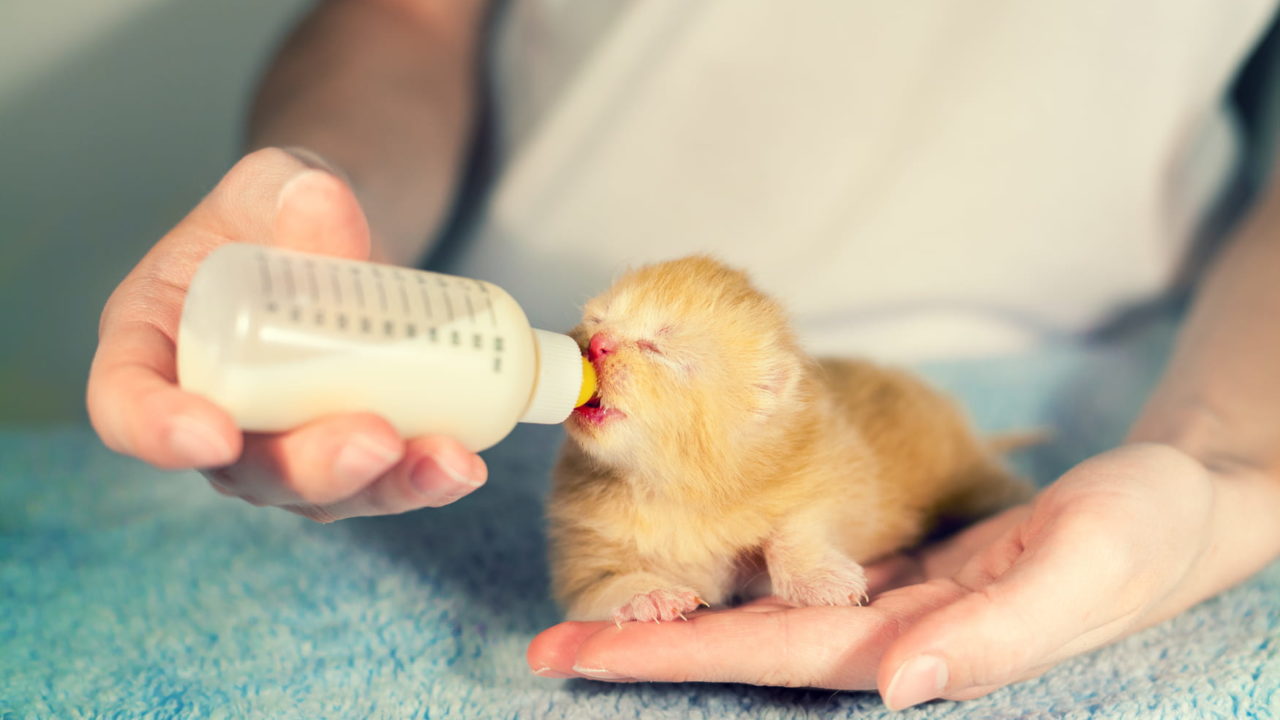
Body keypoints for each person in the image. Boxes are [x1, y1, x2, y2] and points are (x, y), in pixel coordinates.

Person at [86, 0, 1280, 710]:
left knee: (921, 457)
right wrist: (321, 222)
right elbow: (406, 14)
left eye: (651, 348)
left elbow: (826, 492)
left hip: (1116, 365)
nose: (604, 349)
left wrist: (1227, 458)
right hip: (470, 314)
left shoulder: (793, 431)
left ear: (765, 397)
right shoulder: (585, 440)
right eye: (615, 327)